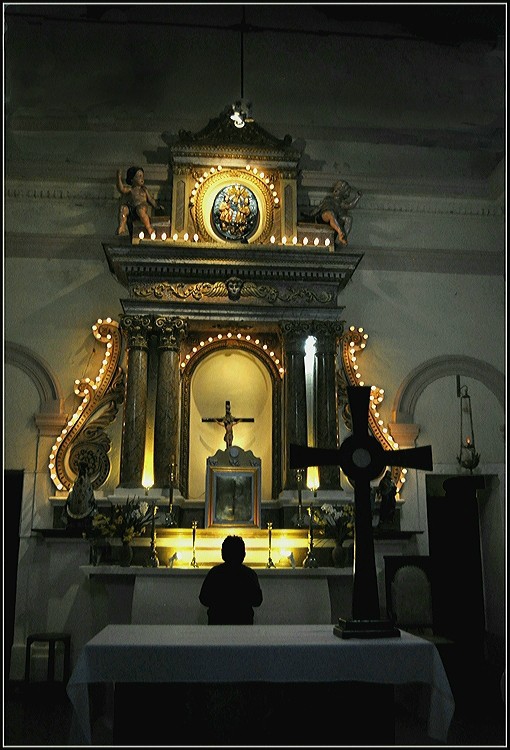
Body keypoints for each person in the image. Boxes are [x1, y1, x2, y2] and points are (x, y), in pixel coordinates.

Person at [199, 535, 263, 624]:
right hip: (243, 623)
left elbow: (204, 598)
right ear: (243, 554)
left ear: (223, 554)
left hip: (218, 622)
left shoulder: (215, 573)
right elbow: (257, 600)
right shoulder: (249, 574)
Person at [116, 166, 164, 237]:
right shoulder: (131, 189)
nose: (142, 178)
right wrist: (119, 177)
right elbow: (121, 189)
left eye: (142, 176)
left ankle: (148, 227)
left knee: (140, 210)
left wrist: (156, 206)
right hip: (132, 208)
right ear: (132, 179)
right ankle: (122, 226)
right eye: (139, 176)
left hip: (142, 206)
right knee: (123, 209)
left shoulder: (144, 190)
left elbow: (150, 199)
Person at [314, 179, 362, 246]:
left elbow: (350, 205)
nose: (336, 191)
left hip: (336, 217)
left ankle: (341, 238)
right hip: (325, 215)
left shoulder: (341, 203)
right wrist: (310, 214)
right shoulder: (328, 199)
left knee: (348, 219)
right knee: (330, 213)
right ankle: (340, 232)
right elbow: (318, 208)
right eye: (336, 189)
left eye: (339, 189)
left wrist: (357, 197)